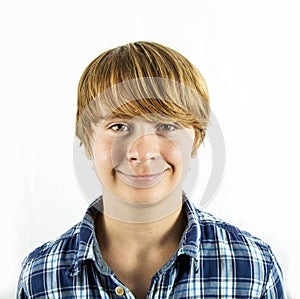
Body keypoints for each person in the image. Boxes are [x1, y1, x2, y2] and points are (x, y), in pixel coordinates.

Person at [17, 41, 286, 298]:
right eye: (118, 126)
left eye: (166, 126)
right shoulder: (40, 277)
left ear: (198, 139)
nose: (143, 152)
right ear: (86, 142)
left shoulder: (254, 270)